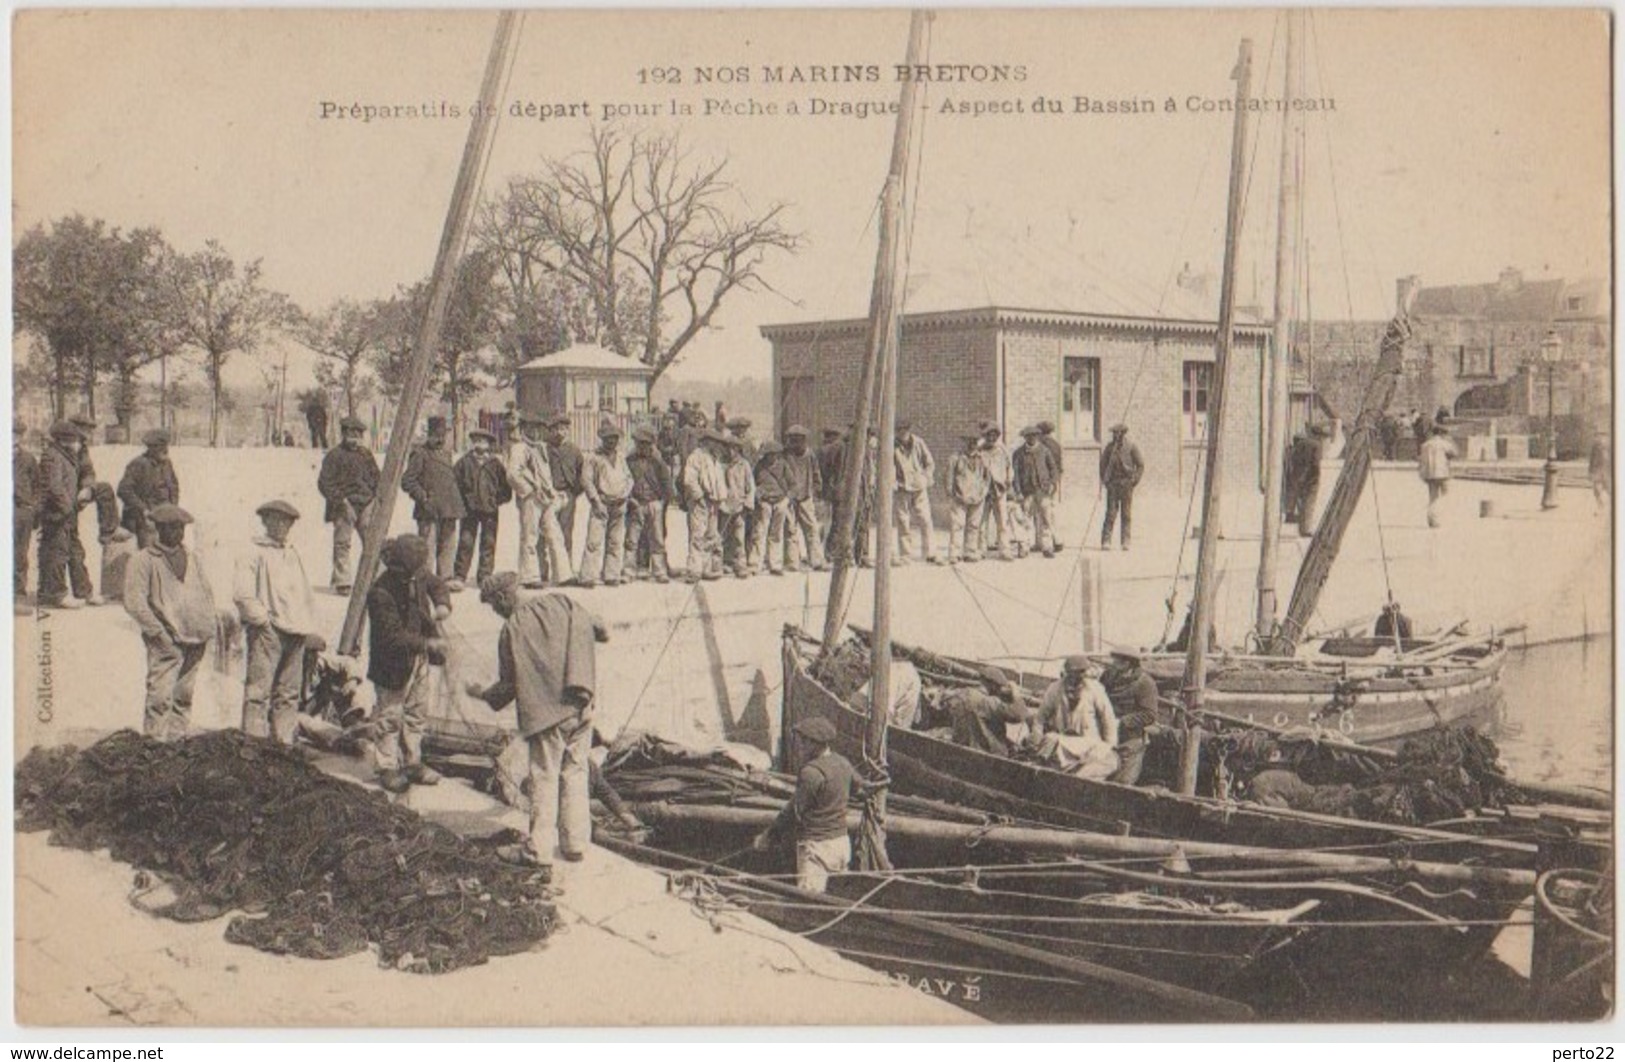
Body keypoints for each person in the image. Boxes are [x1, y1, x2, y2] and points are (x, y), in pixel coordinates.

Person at [466, 572, 610, 875]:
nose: (496, 611)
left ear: (504, 597)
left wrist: (481, 694)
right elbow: (601, 628)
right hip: (581, 704)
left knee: (544, 778)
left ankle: (537, 851)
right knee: (575, 772)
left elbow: (507, 688)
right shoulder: (562, 602)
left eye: (494, 605)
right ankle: (574, 845)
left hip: (547, 716)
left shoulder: (511, 629)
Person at [123, 505, 218, 741]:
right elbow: (134, 602)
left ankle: (177, 743)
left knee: (184, 695)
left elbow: (205, 592)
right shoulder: (143, 560)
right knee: (160, 697)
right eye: (171, 528)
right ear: (159, 529)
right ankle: (154, 746)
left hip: (196, 636)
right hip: (166, 639)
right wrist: (158, 633)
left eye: (181, 528)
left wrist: (207, 624)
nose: (177, 533)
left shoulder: (192, 558)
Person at [366, 534, 451, 793]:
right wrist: (427, 644)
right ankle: (387, 766)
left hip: (418, 659)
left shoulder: (418, 572)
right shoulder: (380, 592)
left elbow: (437, 585)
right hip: (391, 664)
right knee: (390, 716)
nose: (412, 579)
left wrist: (443, 605)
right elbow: (391, 637)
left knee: (416, 712)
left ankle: (412, 762)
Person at [234, 499, 319, 746]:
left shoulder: (292, 553)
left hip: (295, 630)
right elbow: (243, 594)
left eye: (286, 522)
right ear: (266, 521)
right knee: (258, 691)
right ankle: (253, 744)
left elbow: (302, 593)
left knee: (289, 693)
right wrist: (262, 621)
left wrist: (306, 625)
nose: (281, 526)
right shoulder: (253, 551)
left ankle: (283, 743)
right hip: (268, 631)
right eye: (276, 520)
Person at [751, 716, 855, 894]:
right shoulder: (843, 763)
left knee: (809, 901)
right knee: (835, 897)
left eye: (802, 741)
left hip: (817, 848)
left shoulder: (811, 773)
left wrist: (768, 836)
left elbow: (793, 812)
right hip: (841, 844)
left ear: (814, 743)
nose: (799, 746)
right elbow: (857, 788)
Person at [1028, 655, 1119, 780]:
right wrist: (1035, 744)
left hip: (1087, 743)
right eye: (1074, 673)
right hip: (1064, 742)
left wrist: (1109, 745)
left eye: (1082, 672)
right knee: (1051, 740)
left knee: (1097, 763)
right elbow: (1040, 719)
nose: (1078, 677)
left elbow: (1107, 718)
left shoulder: (1095, 689)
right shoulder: (1055, 689)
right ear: (1067, 673)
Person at [317, 415, 380, 592]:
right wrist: (341, 501)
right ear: (344, 435)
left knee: (372, 541)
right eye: (351, 435)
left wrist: (373, 499)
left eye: (358, 436)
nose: (355, 440)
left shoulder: (366, 455)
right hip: (344, 505)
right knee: (342, 543)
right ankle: (342, 581)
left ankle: (373, 577)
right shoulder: (334, 456)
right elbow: (324, 483)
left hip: (366, 504)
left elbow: (377, 477)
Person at [401, 416, 467, 585]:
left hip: (450, 507)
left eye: (442, 435)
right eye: (436, 435)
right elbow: (407, 481)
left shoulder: (446, 454)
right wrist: (423, 497)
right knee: (427, 546)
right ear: (428, 434)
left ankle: (446, 578)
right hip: (428, 508)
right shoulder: (420, 454)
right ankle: (426, 579)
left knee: (448, 544)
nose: (439, 439)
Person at [35, 421, 86, 610]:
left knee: (60, 551)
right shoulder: (52, 456)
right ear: (65, 440)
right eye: (75, 439)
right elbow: (54, 488)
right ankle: (56, 594)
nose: (78, 443)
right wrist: (67, 509)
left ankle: (50, 592)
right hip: (57, 514)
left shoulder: (65, 455)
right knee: (57, 553)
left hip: (65, 513)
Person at [453, 428, 512, 589]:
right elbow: (454, 485)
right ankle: (460, 575)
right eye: (476, 440)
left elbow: (506, 489)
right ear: (472, 443)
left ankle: (484, 576)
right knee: (466, 541)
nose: (479, 444)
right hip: (469, 510)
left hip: (489, 510)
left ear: (489, 444)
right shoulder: (464, 462)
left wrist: (495, 500)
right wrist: (463, 501)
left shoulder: (495, 464)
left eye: (483, 441)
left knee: (488, 542)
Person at [578, 424, 633, 588]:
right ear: (602, 439)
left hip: (619, 503)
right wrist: (595, 501)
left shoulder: (621, 457)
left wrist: (625, 494)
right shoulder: (593, 458)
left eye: (615, 438)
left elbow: (629, 478)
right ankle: (588, 575)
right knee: (594, 541)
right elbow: (586, 481)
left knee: (615, 541)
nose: (612, 441)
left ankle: (612, 574)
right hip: (601, 503)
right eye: (608, 438)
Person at [1098, 648, 1160, 785]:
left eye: (1117, 660)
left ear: (1128, 663)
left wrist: (1121, 722)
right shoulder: (1108, 676)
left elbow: (1150, 715)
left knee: (1122, 782)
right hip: (1104, 737)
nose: (1113, 663)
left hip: (1129, 741)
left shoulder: (1145, 683)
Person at [945, 666, 1034, 757]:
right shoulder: (989, 702)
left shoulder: (961, 693)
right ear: (993, 686)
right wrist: (1016, 692)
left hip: (961, 750)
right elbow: (1020, 714)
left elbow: (981, 727)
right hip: (986, 755)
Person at [625, 424, 674, 583]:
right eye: (639, 443)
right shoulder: (629, 461)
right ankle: (631, 569)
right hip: (636, 503)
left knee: (657, 539)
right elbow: (625, 481)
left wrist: (662, 502)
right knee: (632, 539)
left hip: (654, 503)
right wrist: (630, 499)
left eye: (646, 443)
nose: (642, 446)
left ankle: (660, 570)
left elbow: (667, 484)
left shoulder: (658, 463)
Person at [117, 430, 180, 550]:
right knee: (149, 553)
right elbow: (123, 490)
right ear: (151, 449)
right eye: (161, 447)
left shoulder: (167, 463)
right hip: (144, 518)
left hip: (165, 515)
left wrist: (173, 507)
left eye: (165, 446)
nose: (165, 450)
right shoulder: (138, 464)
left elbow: (174, 486)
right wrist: (143, 509)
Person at [681, 428, 727, 581]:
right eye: (714, 442)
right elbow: (689, 480)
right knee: (697, 535)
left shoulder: (715, 459)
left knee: (710, 535)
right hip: (700, 501)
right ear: (707, 441)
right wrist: (699, 497)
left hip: (713, 501)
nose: (717, 445)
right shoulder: (696, 457)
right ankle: (694, 570)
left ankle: (706, 568)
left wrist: (720, 498)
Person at [892, 421, 939, 564]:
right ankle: (906, 554)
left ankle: (930, 552)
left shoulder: (919, 443)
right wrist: (892, 481)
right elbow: (888, 465)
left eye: (905, 430)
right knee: (903, 521)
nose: (902, 433)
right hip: (901, 487)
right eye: (899, 430)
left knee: (925, 519)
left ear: (909, 430)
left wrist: (926, 477)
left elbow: (929, 463)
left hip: (919, 487)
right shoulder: (891, 445)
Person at [781, 425, 827, 571]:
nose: (796, 443)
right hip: (789, 497)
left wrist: (817, 489)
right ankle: (792, 561)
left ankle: (816, 560)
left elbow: (816, 473)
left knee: (811, 528)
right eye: (793, 440)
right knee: (790, 529)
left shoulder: (810, 455)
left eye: (799, 440)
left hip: (806, 496)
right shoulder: (785, 455)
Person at [544, 415, 586, 572]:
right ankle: (545, 569)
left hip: (568, 495)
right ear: (551, 431)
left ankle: (566, 568)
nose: (560, 433)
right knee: (548, 532)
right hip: (550, 495)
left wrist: (575, 492)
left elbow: (582, 473)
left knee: (566, 531)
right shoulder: (546, 449)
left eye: (563, 429)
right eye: (556, 429)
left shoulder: (574, 450)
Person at [944, 431, 990, 564]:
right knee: (957, 525)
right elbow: (948, 477)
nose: (971, 445)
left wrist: (983, 492)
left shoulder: (983, 459)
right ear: (965, 442)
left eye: (974, 442)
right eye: (969, 442)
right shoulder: (955, 458)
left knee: (973, 525)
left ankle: (970, 551)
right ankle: (954, 553)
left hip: (977, 497)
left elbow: (987, 478)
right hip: (959, 497)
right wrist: (950, 494)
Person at [1013, 426, 1059, 558]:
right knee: (1025, 519)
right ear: (1025, 438)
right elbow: (1015, 475)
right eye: (1028, 436)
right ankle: (1024, 547)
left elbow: (1053, 469)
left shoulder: (1045, 451)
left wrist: (1052, 483)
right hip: (1027, 492)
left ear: (1037, 437)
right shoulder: (1018, 454)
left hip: (1043, 491)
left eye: (1034, 436)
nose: (1031, 438)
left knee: (1046, 519)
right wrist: (1018, 492)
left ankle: (1047, 546)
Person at [1099, 423, 1144, 551]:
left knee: (1126, 513)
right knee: (1111, 513)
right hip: (1113, 485)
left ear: (1123, 434)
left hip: (1126, 485)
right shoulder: (1109, 448)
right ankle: (1106, 540)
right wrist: (1105, 482)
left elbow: (1140, 465)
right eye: (1113, 434)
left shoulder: (1131, 447)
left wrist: (1134, 481)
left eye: (1117, 433)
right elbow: (1102, 466)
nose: (1115, 436)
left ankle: (1126, 541)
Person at [752, 440, 793, 575]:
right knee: (760, 532)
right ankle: (756, 563)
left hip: (780, 501)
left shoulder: (783, 466)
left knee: (776, 533)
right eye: (770, 454)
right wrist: (758, 495)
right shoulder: (759, 466)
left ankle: (775, 564)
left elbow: (792, 484)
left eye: (775, 454)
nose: (772, 457)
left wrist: (787, 500)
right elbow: (753, 483)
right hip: (765, 502)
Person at [719, 435, 756, 579]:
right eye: (728, 448)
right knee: (723, 536)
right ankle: (724, 563)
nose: (730, 451)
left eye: (733, 449)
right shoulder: (721, 464)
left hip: (740, 506)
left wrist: (748, 502)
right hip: (725, 506)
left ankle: (740, 565)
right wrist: (721, 503)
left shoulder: (744, 465)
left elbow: (750, 486)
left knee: (739, 537)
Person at [978, 422, 1016, 562]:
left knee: (1002, 522)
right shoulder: (979, 451)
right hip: (983, 491)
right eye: (989, 435)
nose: (992, 438)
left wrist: (1008, 481)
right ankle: (981, 549)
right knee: (982, 522)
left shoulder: (1002, 450)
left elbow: (1009, 468)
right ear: (985, 436)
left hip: (999, 490)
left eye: (994, 435)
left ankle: (1004, 550)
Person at [1289, 423, 1329, 536]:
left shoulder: (1301, 443)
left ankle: (1301, 527)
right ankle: (1305, 529)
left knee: (1301, 501)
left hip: (1298, 475)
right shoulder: (1317, 445)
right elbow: (1316, 462)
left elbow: (1293, 457)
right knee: (1309, 502)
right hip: (1311, 476)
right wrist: (1316, 475)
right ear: (1318, 435)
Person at [1418, 422, 1456, 529]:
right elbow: (1454, 453)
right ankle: (1435, 515)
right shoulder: (1444, 443)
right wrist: (1450, 441)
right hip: (1442, 472)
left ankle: (1432, 517)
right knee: (1445, 495)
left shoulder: (1425, 444)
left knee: (1433, 496)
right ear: (1441, 433)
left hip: (1429, 473)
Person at [15, 422, 38, 598]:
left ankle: (18, 591)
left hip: (22, 511)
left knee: (20, 553)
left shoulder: (28, 459)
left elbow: (37, 486)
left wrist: (33, 508)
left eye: (17, 434)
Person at [1036, 420, 1065, 545]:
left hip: (1042, 482)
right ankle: (1054, 539)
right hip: (1053, 482)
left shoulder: (1041, 445)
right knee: (1050, 511)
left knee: (1042, 513)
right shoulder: (1056, 445)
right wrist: (1055, 481)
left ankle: (1047, 541)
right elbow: (1059, 467)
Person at [1588, 431, 1611, 515]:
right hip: (1597, 471)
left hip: (1606, 472)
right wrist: (1590, 471)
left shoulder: (1609, 447)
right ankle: (1600, 506)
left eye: (1601, 437)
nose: (1599, 439)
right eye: (1598, 437)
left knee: (1609, 490)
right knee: (1596, 490)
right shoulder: (1595, 447)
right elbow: (1592, 459)